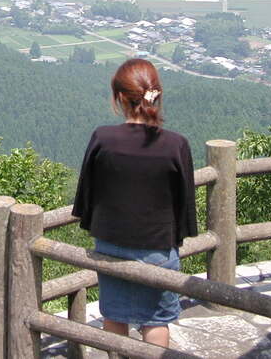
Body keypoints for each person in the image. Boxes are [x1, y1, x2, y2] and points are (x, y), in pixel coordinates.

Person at [71, 58, 197, 348]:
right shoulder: (176, 144)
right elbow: (185, 205)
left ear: (119, 98)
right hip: (157, 247)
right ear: (157, 96)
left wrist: (95, 226)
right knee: (155, 321)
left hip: (110, 245)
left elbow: (85, 197)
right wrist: (174, 239)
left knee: (114, 317)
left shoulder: (103, 138)